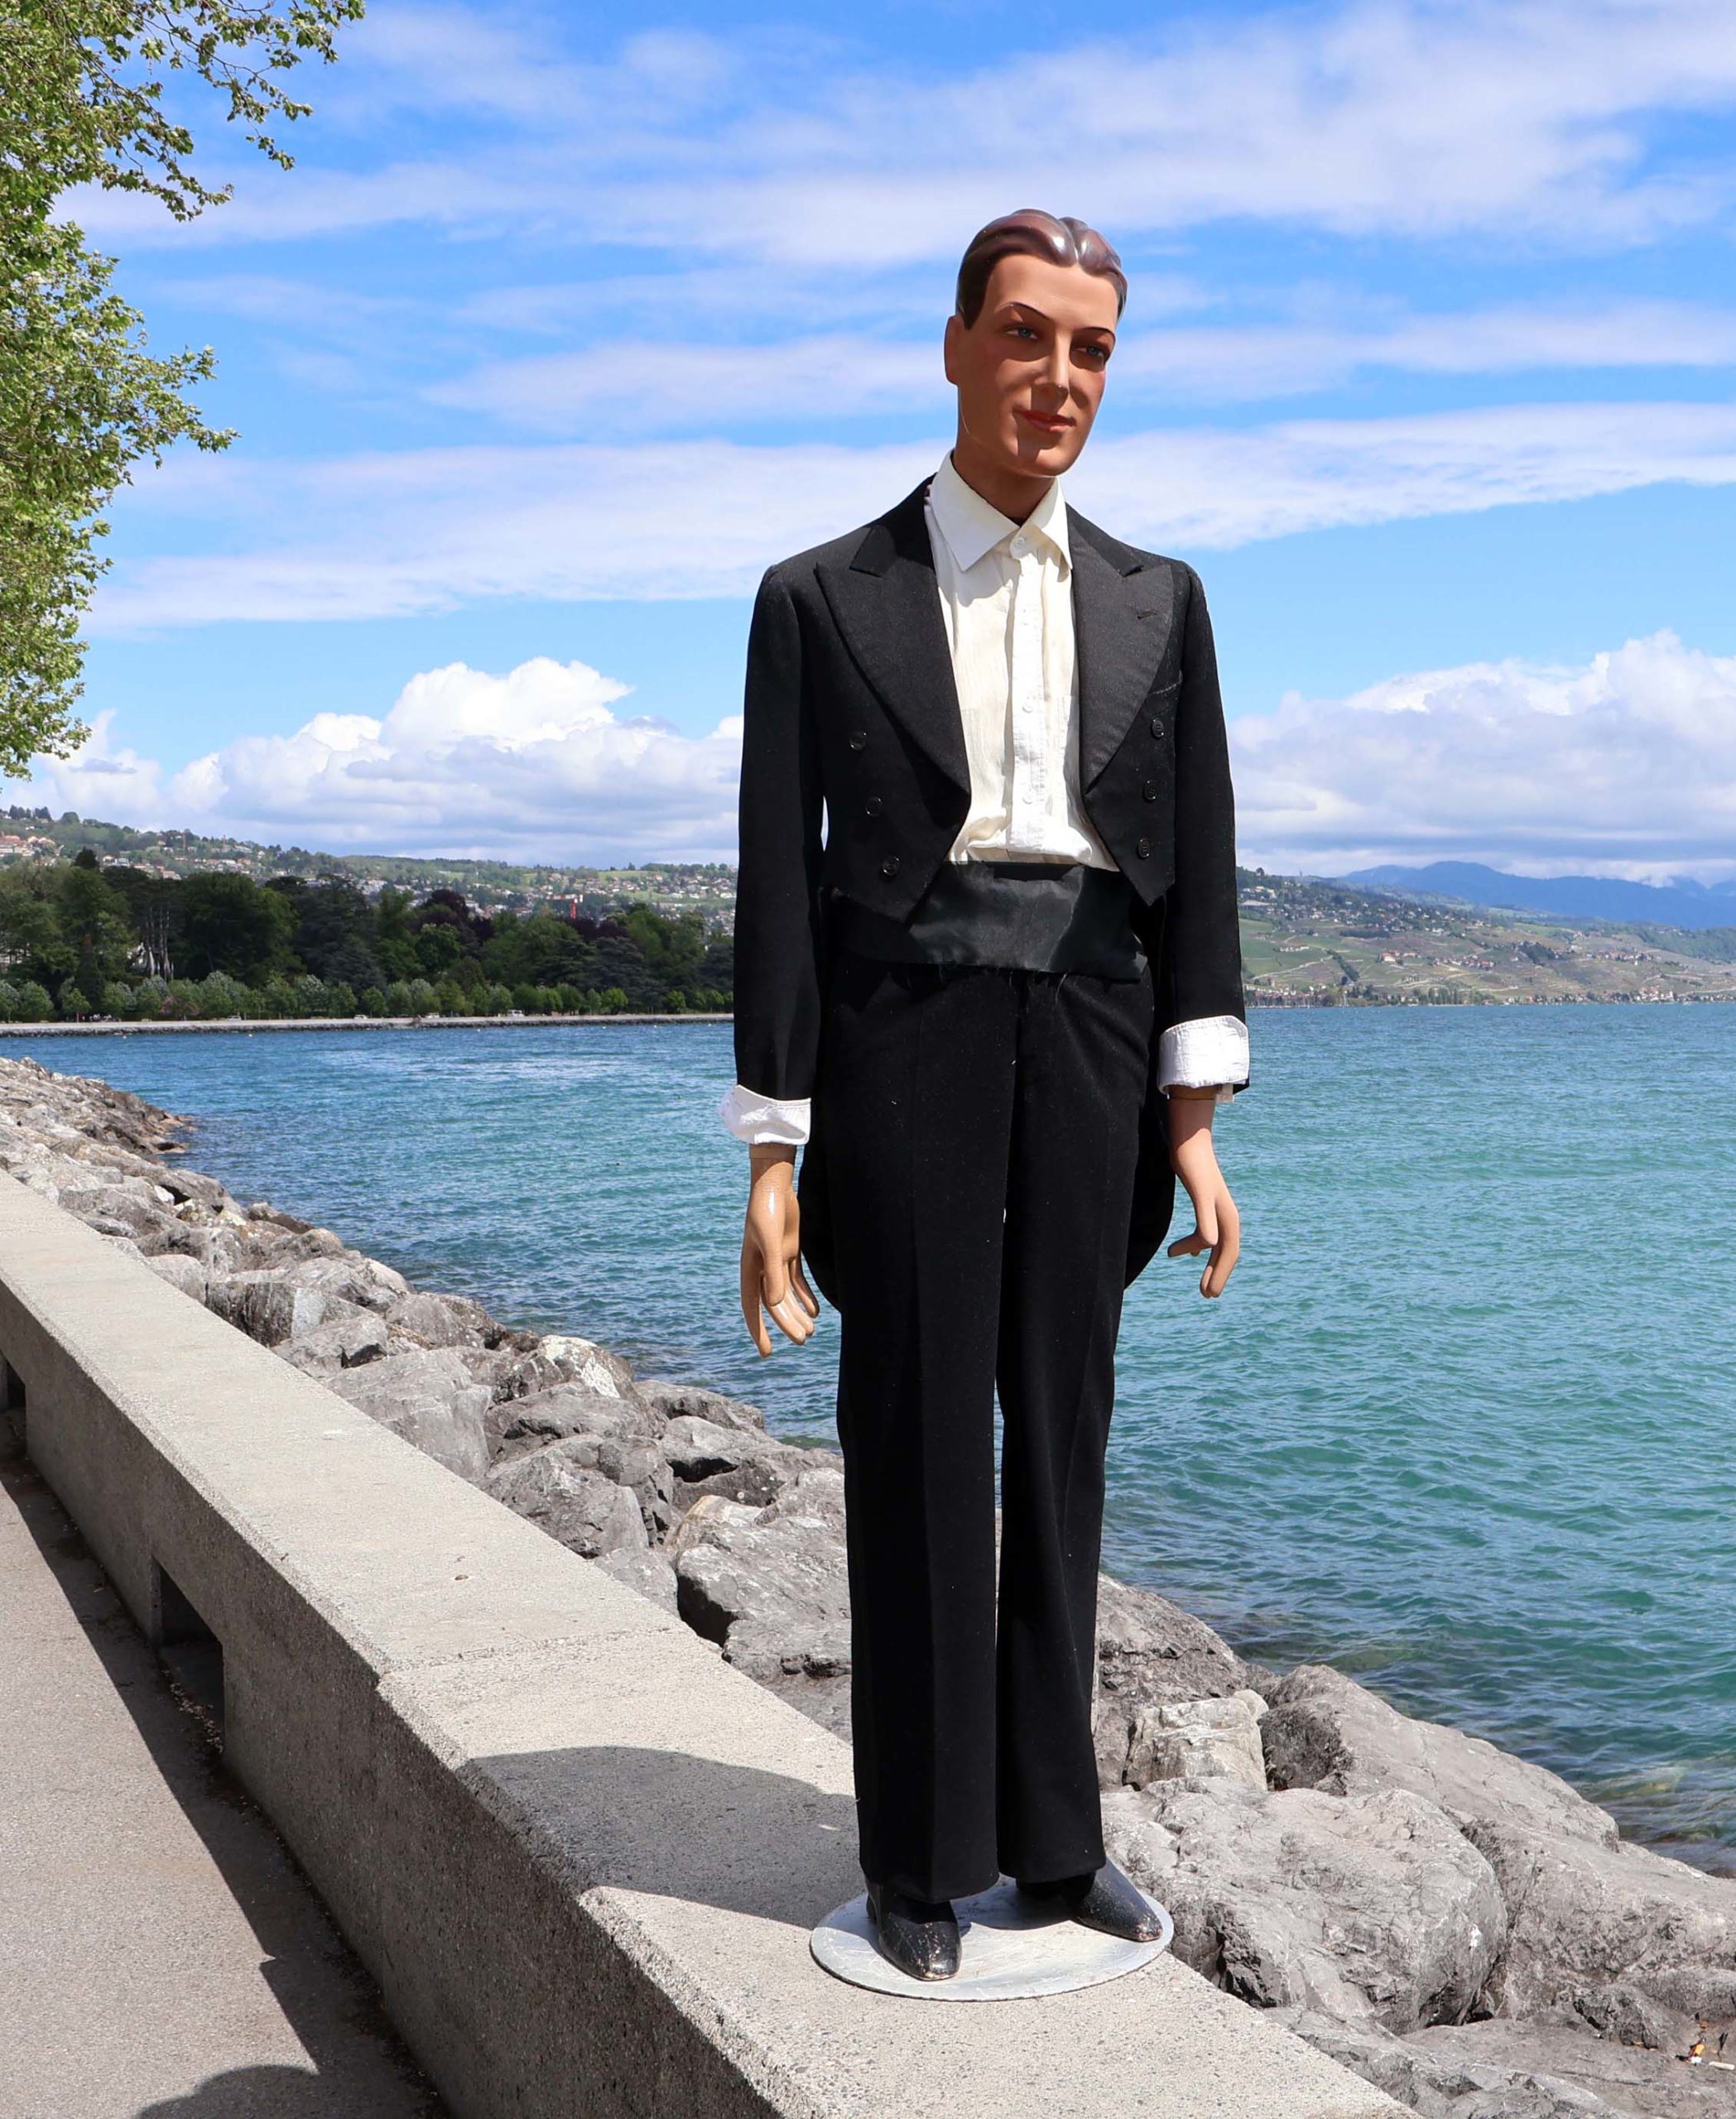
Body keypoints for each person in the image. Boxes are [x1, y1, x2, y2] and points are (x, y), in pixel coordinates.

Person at [720, 209, 1247, 1984]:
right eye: (1027, 337)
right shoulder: (817, 596)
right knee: (925, 1443)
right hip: (903, 1036)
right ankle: (920, 1860)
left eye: (1090, 348)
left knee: (1064, 1444)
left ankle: (1055, 1838)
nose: (1058, 379)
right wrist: (772, 1144)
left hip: (1095, 1034)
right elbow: (775, 887)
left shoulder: (1161, 599)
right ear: (954, 345)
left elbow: (1195, 876)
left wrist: (1194, 1116)